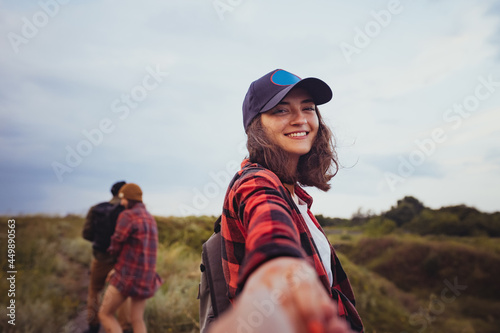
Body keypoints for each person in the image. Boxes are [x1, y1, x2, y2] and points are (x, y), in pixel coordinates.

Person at [210, 69, 364, 332]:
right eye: (281, 110)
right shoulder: (256, 181)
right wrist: (277, 265)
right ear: (256, 125)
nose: (300, 119)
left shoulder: (296, 195)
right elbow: (268, 222)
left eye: (308, 108)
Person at [99, 183, 163, 333]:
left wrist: (112, 258)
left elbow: (116, 244)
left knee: (105, 314)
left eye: (123, 199)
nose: (121, 203)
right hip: (146, 277)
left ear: (129, 199)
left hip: (127, 276)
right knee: (137, 319)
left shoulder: (127, 216)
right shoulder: (150, 218)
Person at [82, 181, 132, 333]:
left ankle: (93, 325)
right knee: (123, 292)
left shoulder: (96, 209)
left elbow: (86, 234)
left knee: (94, 290)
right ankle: (125, 327)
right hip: (122, 260)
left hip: (101, 257)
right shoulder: (128, 210)